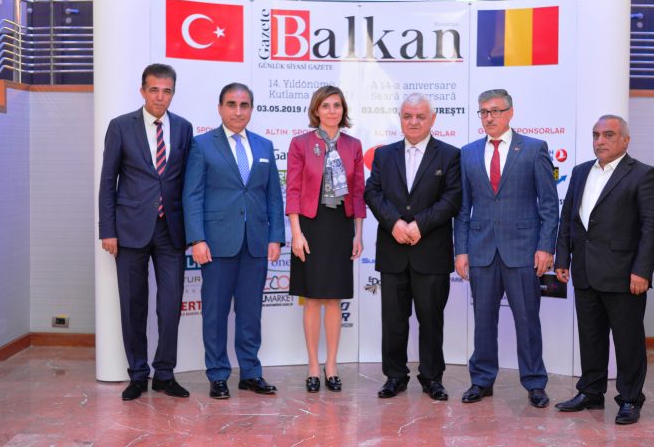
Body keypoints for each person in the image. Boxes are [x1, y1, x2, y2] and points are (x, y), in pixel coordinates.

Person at [554, 115, 654, 425]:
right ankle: (591, 391)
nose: (600, 141)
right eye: (596, 135)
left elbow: (652, 227)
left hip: (625, 276)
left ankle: (630, 398)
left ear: (625, 140)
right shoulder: (580, 172)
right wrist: (562, 259)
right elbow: (568, 219)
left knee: (628, 341)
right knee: (590, 337)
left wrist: (642, 271)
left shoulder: (643, 174)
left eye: (608, 135)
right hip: (585, 271)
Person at [454, 89, 558, 407]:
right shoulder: (468, 153)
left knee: (527, 320)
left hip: (523, 251)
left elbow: (549, 204)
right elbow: (462, 209)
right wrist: (461, 250)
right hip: (481, 250)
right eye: (484, 112)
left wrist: (545, 247)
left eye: (496, 111)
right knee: (484, 320)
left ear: (510, 112)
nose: (489, 117)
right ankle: (482, 380)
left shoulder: (534, 148)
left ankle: (535, 383)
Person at [182, 82, 285, 399]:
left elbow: (273, 196)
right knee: (214, 314)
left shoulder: (265, 146)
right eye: (231, 104)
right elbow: (192, 195)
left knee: (250, 313)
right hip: (216, 244)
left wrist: (275, 237)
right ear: (220, 108)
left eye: (244, 105)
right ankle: (217, 375)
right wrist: (197, 238)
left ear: (251, 109)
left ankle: (250, 373)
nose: (238, 111)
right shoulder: (202, 145)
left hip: (256, 243)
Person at [98, 63, 193, 401]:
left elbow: (187, 182)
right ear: (142, 91)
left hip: (172, 231)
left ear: (173, 93)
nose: (160, 97)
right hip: (129, 231)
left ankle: (164, 374)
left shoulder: (183, 128)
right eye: (154, 90)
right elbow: (108, 181)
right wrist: (107, 229)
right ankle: (138, 375)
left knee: (170, 307)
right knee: (132, 305)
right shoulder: (120, 126)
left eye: (167, 91)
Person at [364, 93, 461, 401]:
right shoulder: (384, 155)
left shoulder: (450, 155)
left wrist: (420, 225)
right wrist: (394, 223)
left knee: (431, 320)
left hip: (431, 252)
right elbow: (372, 192)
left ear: (433, 119)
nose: (414, 122)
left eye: (420, 116)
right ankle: (395, 376)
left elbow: (452, 198)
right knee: (393, 320)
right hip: (393, 251)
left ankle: (432, 378)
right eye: (408, 116)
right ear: (400, 119)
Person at [286, 86, 366, 393]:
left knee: (334, 299)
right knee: (312, 298)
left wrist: (358, 234)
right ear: (316, 110)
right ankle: (312, 366)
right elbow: (293, 191)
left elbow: (358, 193)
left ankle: (331, 366)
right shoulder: (301, 143)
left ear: (343, 110)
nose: (332, 111)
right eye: (326, 106)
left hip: (340, 226)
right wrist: (296, 233)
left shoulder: (353, 145)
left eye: (337, 105)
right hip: (310, 225)